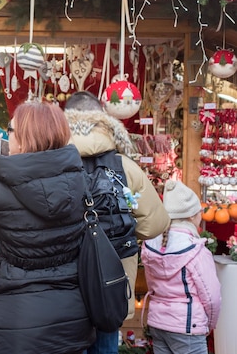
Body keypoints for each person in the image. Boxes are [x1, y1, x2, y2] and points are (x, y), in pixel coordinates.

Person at [0, 101, 95, 354]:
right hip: (72, 310)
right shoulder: (81, 179)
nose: (6, 136)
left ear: (25, 141)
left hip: (19, 313)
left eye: (11, 130)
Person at [64, 91, 170, 354]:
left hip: (63, 279)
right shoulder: (125, 167)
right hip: (113, 280)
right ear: (103, 120)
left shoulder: (52, 163)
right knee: (106, 339)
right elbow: (155, 224)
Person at [141, 180, 221, 354]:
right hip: (188, 326)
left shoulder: (149, 245)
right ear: (192, 216)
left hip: (158, 323)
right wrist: (209, 324)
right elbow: (211, 297)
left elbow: (152, 285)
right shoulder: (196, 250)